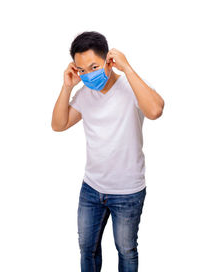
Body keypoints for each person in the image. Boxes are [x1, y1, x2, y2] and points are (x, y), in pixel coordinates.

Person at [51, 31, 164, 272]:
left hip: (127, 191)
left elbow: (155, 110)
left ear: (108, 61)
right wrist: (67, 87)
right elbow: (58, 125)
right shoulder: (84, 95)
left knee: (126, 250)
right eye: (82, 70)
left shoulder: (130, 88)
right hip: (91, 188)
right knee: (86, 248)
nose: (89, 74)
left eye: (93, 66)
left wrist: (128, 69)